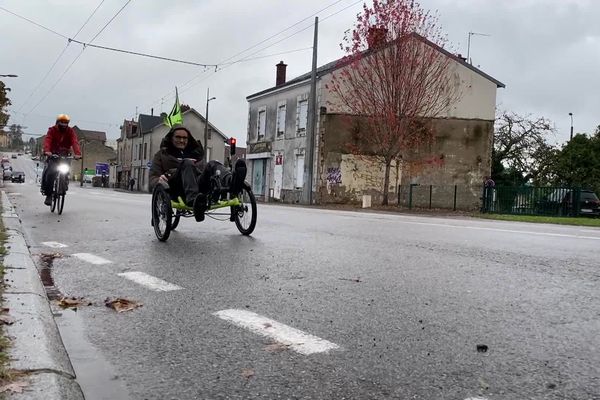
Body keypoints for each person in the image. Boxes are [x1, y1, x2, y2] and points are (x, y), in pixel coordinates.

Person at [149, 125, 247, 222]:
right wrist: (159, 179)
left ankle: (232, 182)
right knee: (187, 163)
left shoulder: (196, 153)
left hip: (198, 184)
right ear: (171, 138)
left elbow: (204, 171)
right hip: (177, 187)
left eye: (185, 138)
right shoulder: (161, 155)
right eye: (178, 137)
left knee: (212, 164)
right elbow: (152, 176)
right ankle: (194, 201)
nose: (182, 140)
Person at [41, 114, 81, 206]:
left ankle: (64, 183)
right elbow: (48, 140)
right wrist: (47, 151)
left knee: (66, 170)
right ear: (58, 122)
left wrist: (77, 154)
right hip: (53, 155)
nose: (63, 124)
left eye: (66, 123)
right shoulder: (52, 130)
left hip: (64, 156)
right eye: (62, 122)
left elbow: (74, 142)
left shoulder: (70, 132)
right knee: (51, 173)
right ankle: (49, 195)